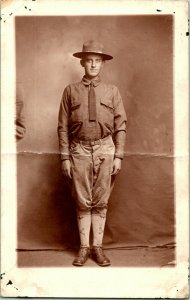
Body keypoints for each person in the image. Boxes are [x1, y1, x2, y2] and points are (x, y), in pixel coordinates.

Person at [57, 40, 127, 267]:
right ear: (82, 63)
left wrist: (118, 155)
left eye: (98, 61)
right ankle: (83, 248)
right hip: (78, 149)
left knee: (101, 200)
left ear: (103, 64)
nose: (94, 65)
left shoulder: (112, 91)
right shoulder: (70, 91)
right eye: (89, 61)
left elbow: (121, 125)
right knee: (82, 201)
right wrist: (65, 157)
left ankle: (98, 247)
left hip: (106, 148)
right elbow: (62, 126)